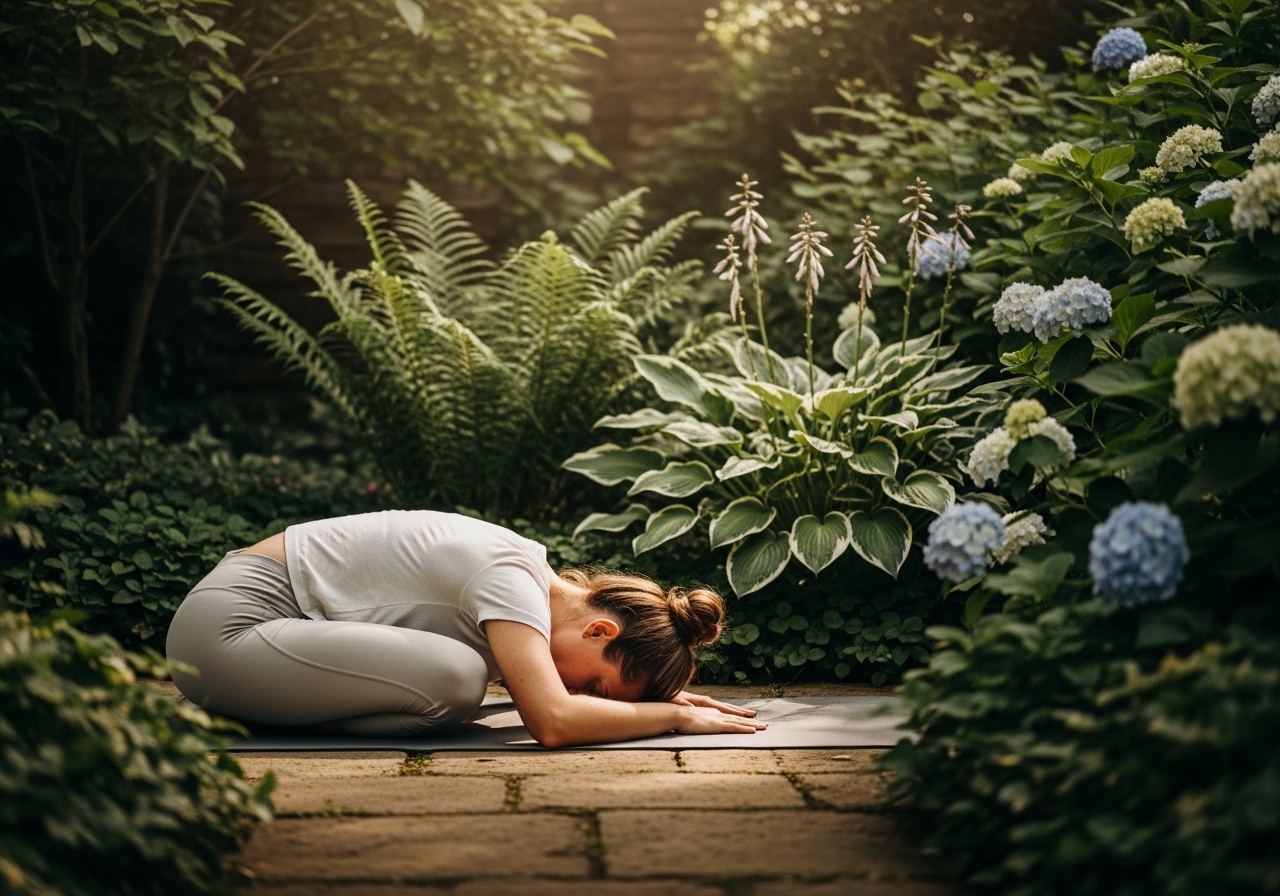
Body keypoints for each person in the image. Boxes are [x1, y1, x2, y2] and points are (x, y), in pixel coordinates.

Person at [165, 509, 764, 746]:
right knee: (455, 681)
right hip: (230, 628)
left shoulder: (526, 579)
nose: (583, 696)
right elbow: (554, 722)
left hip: (260, 641)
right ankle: (252, 707)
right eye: (597, 688)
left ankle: (255, 708)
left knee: (447, 699)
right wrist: (673, 717)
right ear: (600, 632)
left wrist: (647, 698)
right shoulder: (511, 579)